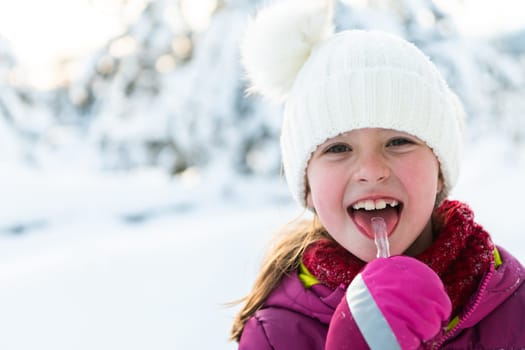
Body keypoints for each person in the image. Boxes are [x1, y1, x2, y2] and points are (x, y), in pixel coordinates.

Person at [230, 0, 525, 349]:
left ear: (440, 172)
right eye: (338, 149)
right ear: (307, 186)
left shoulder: (511, 302)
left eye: (398, 142)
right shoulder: (277, 333)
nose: (371, 171)